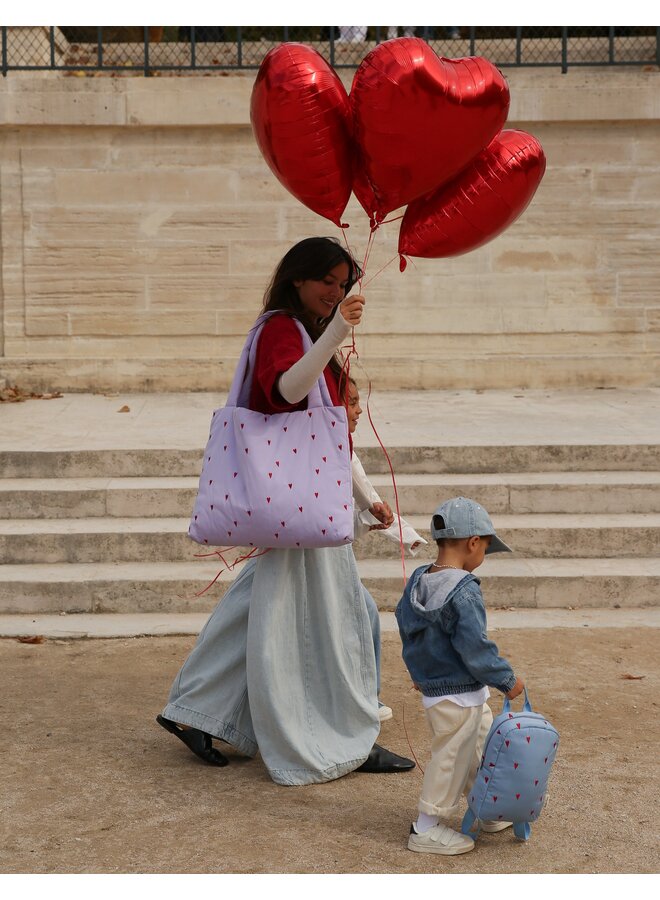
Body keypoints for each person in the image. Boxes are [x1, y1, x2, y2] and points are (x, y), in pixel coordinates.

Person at [157, 237, 415, 785]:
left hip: (301, 502)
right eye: (327, 280)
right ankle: (344, 735)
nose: (336, 291)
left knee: (266, 606)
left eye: (344, 283)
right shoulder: (282, 328)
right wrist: (339, 331)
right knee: (338, 617)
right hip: (302, 508)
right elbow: (285, 390)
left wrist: (367, 498)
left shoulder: (310, 334)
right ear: (298, 278)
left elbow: (329, 437)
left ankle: (194, 709)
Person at [395, 496, 525, 854]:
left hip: (445, 690)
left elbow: (407, 627)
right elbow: (476, 650)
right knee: (452, 757)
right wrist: (507, 679)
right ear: (472, 543)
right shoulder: (464, 591)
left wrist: (421, 671)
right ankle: (426, 827)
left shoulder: (420, 580)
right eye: (485, 547)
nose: (483, 555)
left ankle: (485, 807)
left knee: (478, 751)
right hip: (461, 692)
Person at [339, 372, 428, 720]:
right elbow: (334, 520)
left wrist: (398, 530)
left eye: (359, 402)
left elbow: (368, 500)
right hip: (312, 554)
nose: (359, 411)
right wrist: (374, 518)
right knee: (362, 617)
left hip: (324, 552)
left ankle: (364, 697)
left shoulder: (341, 447)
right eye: (351, 403)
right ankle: (362, 701)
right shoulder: (325, 448)